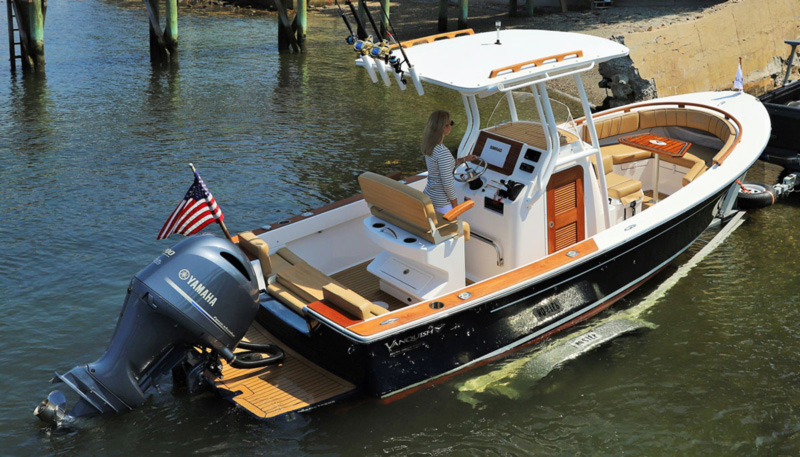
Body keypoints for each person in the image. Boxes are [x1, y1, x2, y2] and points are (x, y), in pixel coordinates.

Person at [421, 110, 477, 214]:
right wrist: (455, 208)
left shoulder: (430, 146)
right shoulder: (442, 152)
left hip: (429, 195)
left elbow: (443, 165)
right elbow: (447, 184)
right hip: (441, 204)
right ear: (444, 127)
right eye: (451, 123)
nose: (451, 126)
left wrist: (464, 159)